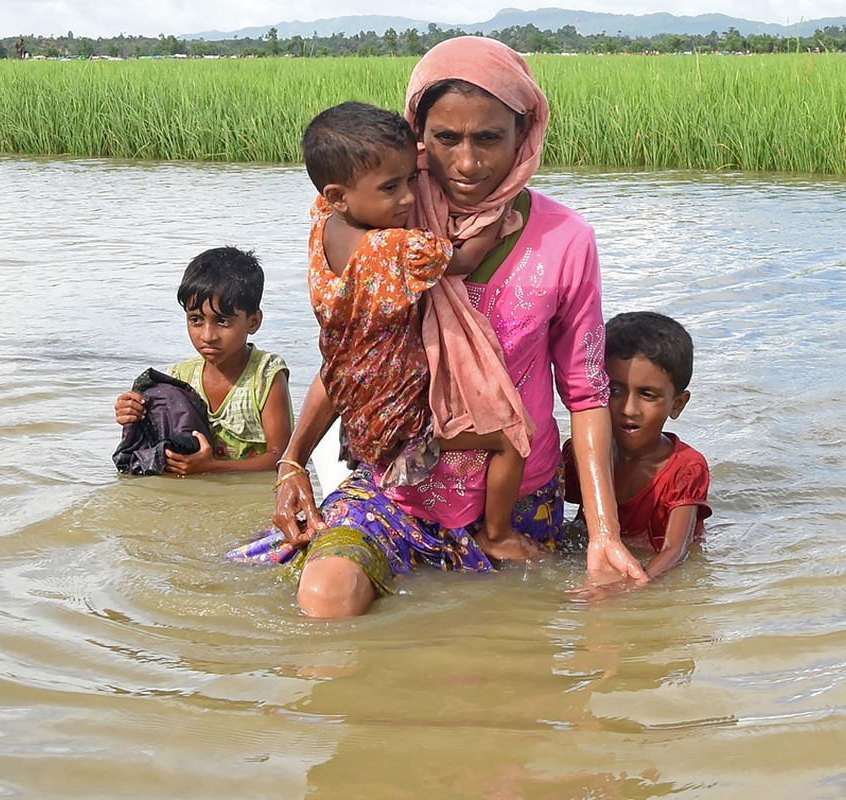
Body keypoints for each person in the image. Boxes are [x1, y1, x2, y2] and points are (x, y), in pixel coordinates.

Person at [265, 36, 646, 618]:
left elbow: (586, 391)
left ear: (525, 135)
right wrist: (292, 461)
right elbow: (354, 356)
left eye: (489, 138)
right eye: (446, 139)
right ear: (417, 136)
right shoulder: (387, 223)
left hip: (515, 497)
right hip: (398, 485)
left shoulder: (565, 239)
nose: (467, 163)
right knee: (325, 597)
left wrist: (603, 535)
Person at [296, 101, 536, 561]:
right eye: (391, 187)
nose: (409, 197)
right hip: (402, 419)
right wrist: (501, 218)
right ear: (339, 195)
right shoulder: (396, 247)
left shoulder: (322, 224)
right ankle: (498, 535)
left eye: (412, 178)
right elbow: (462, 260)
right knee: (510, 438)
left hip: (357, 408)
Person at [113, 247, 292, 475]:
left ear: (253, 322)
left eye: (223, 321)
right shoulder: (179, 378)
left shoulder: (265, 375)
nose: (208, 335)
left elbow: (282, 458)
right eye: (196, 320)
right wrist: (132, 412)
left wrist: (212, 468)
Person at [563, 311, 711, 581]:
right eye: (614, 390)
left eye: (647, 395)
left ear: (677, 404)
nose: (628, 409)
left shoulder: (686, 469)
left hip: (653, 566)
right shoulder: (581, 453)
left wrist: (632, 587)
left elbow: (675, 551)